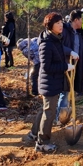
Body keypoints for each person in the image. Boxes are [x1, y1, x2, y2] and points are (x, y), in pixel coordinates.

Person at [29, 12, 75, 152]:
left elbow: (59, 52)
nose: (61, 25)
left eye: (61, 22)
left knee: (45, 110)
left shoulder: (55, 39)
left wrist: (69, 53)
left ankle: (33, 134)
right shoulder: (46, 44)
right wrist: (65, 67)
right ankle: (42, 143)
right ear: (50, 26)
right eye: (57, 23)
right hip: (49, 82)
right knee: (49, 112)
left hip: (53, 82)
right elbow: (47, 67)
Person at [57, 9, 83, 122]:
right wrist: (69, 52)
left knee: (70, 92)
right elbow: (58, 47)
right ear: (76, 20)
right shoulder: (64, 31)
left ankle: (67, 116)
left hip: (75, 67)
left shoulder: (79, 34)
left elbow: (81, 52)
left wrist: (82, 67)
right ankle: (60, 119)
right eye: (81, 19)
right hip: (64, 66)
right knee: (64, 93)